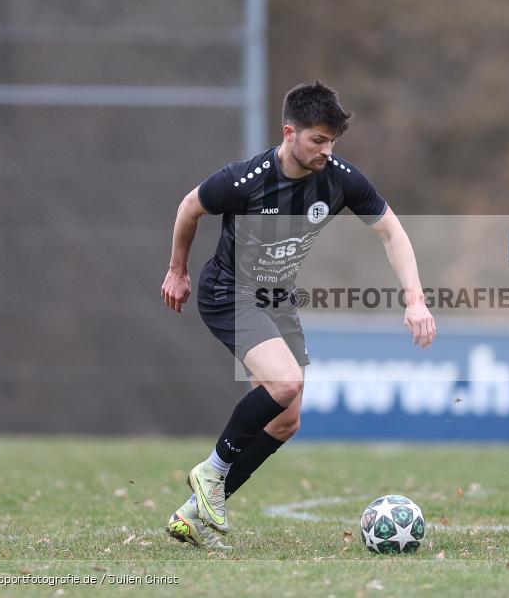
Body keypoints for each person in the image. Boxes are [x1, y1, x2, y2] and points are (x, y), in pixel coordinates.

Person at [160, 81, 436, 549]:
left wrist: (415, 299)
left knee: (287, 420)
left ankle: (191, 516)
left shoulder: (340, 179)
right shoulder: (245, 180)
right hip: (229, 291)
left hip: (275, 299)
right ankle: (211, 472)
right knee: (284, 383)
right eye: (318, 140)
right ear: (290, 133)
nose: (327, 150)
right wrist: (177, 270)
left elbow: (392, 232)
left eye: (333, 141)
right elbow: (190, 208)